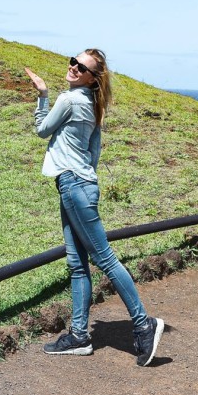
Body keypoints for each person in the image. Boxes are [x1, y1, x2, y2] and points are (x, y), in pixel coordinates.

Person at [25, 50, 164, 367]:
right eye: (72, 61)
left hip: (74, 186)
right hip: (80, 185)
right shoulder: (94, 105)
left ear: (92, 77)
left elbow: (42, 130)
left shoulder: (71, 99)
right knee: (77, 263)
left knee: (105, 260)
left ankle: (143, 325)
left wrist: (43, 95)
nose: (73, 67)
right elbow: (94, 152)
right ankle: (79, 337)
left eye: (81, 66)